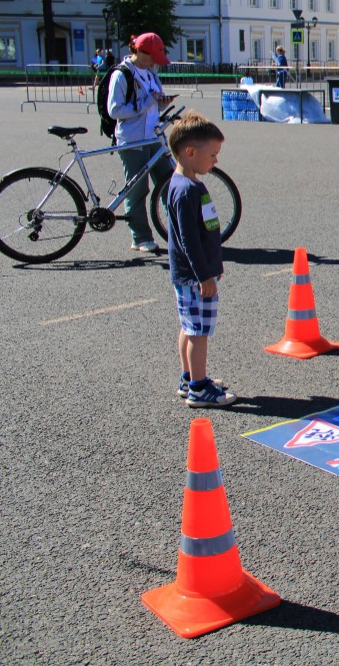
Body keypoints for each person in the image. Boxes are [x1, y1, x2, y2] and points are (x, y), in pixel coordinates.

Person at [165, 110, 235, 407]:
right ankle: (199, 387)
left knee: (189, 327)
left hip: (191, 274)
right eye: (213, 154)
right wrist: (203, 275)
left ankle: (188, 376)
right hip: (195, 277)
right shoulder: (186, 191)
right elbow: (188, 240)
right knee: (199, 332)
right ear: (190, 152)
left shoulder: (185, 183)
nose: (215, 160)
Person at [107, 33, 174, 253]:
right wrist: (147, 102)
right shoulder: (122, 75)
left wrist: (162, 103)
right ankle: (140, 237)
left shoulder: (151, 72)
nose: (156, 62)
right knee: (137, 190)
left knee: (169, 184)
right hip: (132, 141)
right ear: (141, 52)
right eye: (153, 57)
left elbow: (153, 103)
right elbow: (115, 110)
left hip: (153, 136)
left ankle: (178, 232)